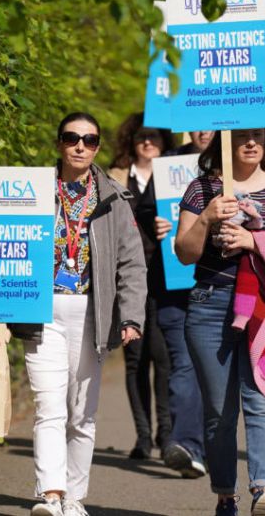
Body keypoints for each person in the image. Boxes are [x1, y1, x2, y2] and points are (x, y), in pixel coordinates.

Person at [0, 112, 147, 516]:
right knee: (50, 407)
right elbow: (0, 250)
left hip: (92, 313)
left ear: (98, 147)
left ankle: (75, 496)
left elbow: (132, 263)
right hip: (40, 311)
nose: (81, 146)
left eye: (90, 140)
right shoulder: (28, 192)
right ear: (59, 143)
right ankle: (50, 495)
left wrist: (131, 317)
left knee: (82, 413)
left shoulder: (113, 197)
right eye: (72, 137)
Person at [174, 129, 265, 516]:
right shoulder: (202, 189)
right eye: (243, 136)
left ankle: (264, 490)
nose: (251, 143)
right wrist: (205, 218)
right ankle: (224, 495)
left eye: (259, 137)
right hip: (209, 305)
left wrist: (255, 241)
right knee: (219, 412)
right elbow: (184, 254)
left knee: (262, 400)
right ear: (225, 142)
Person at [107, 113, 174, 459]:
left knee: (163, 358)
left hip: (166, 281)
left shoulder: (179, 176)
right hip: (128, 281)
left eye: (155, 137)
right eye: (141, 137)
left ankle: (166, 432)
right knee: (135, 359)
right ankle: (143, 437)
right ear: (131, 141)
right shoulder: (114, 177)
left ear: (165, 141)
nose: (148, 143)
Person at [152, 129, 215, 478]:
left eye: (212, 124)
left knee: (212, 372)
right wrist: (156, 225)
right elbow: (143, 212)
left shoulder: (235, 167)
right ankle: (186, 444)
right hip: (174, 287)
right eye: (197, 124)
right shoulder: (168, 165)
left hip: (219, 287)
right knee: (183, 366)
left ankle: (204, 446)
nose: (204, 131)